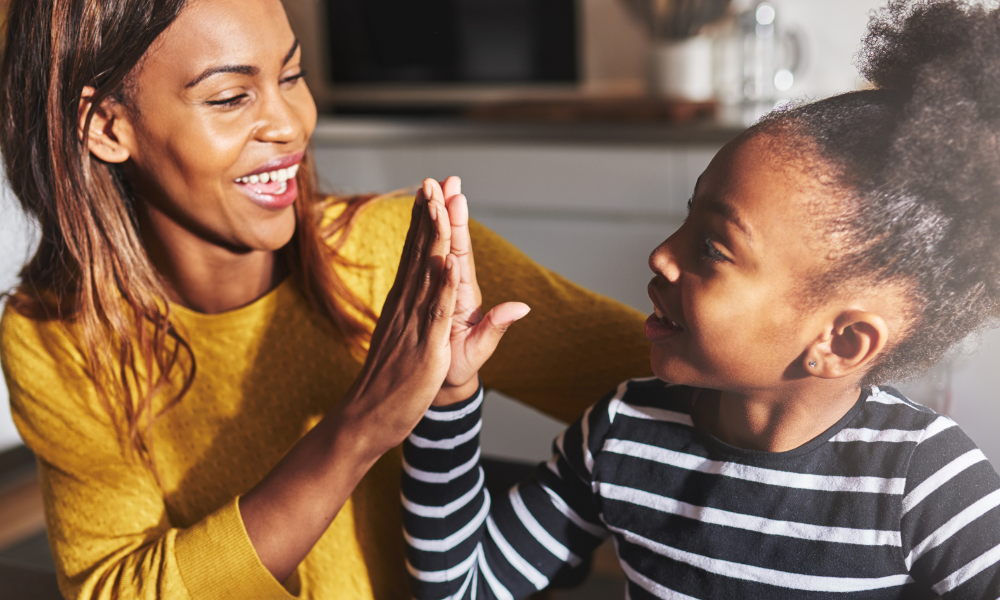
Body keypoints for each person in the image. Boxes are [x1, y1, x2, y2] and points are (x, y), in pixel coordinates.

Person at [0, 0, 651, 598]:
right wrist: (363, 425)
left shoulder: (401, 249)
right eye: (230, 97)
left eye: (291, 76)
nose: (289, 124)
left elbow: (688, 383)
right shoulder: (55, 336)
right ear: (106, 125)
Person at [402, 1, 1000, 598]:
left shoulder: (926, 480)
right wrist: (448, 397)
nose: (661, 254)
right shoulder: (621, 430)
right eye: (687, 219)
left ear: (840, 342)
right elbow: (462, 588)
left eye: (712, 248)